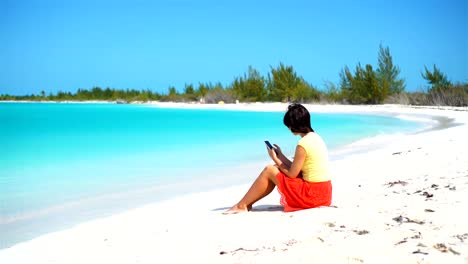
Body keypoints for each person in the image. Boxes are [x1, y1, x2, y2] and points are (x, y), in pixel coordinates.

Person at [224, 103, 332, 214]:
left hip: (312, 196)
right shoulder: (316, 137)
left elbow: (292, 174)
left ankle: (242, 205)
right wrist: (281, 156)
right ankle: (247, 204)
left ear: (294, 125)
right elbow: (298, 168)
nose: (289, 128)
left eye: (289, 125)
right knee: (276, 168)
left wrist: (274, 158)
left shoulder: (303, 144)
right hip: (324, 194)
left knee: (269, 169)